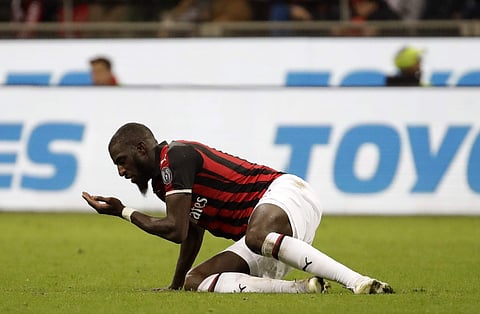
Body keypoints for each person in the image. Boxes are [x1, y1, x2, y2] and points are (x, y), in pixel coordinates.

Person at [82, 122, 394, 294]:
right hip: (267, 235)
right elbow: (191, 231)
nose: (121, 172)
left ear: (141, 149)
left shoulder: (174, 157)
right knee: (197, 282)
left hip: (285, 194)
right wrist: (176, 284)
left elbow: (174, 230)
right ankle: (303, 288)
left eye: (121, 161)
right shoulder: (164, 184)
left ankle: (359, 282)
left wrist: (123, 211)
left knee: (257, 235)